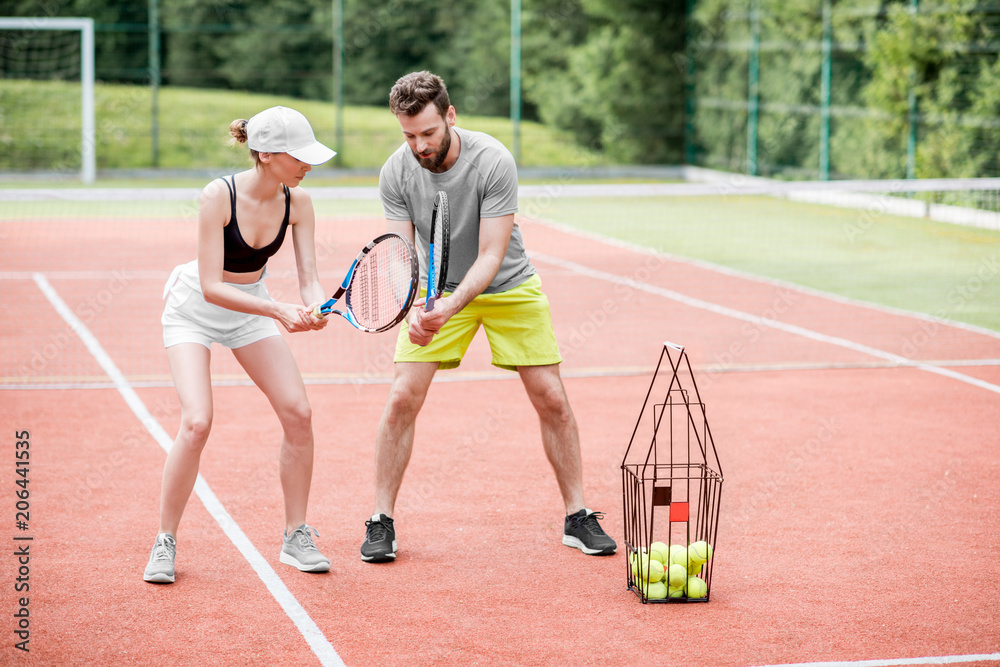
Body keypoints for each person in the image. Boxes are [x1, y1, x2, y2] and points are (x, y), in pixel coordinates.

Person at [360, 71, 617, 563]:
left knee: (552, 399)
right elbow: (398, 254)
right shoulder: (395, 171)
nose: (419, 145)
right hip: (437, 291)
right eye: (409, 135)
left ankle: (577, 515)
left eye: (428, 133)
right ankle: (380, 521)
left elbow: (491, 254)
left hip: (507, 286)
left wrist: (448, 306)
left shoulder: (494, 160)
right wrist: (415, 305)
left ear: (450, 116)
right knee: (401, 398)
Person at [144, 106, 336, 583]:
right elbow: (211, 285)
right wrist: (278, 310)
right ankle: (165, 539)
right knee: (196, 422)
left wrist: (316, 309)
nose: (307, 164)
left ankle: (296, 535)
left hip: (250, 308)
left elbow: (310, 279)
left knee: (299, 413)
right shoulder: (219, 196)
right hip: (195, 309)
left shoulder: (300, 203)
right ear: (267, 154)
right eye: (299, 155)